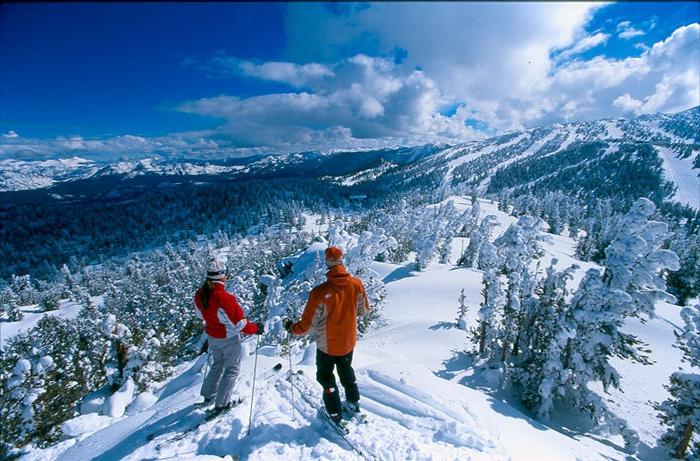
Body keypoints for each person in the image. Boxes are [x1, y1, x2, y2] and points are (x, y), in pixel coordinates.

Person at [284, 246, 370, 424]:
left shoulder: (319, 293)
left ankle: (334, 413)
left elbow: (305, 327)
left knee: (325, 376)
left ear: (327, 262)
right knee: (346, 371)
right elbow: (364, 311)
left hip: (327, 345)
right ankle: (353, 403)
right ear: (342, 260)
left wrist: (291, 327)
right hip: (348, 342)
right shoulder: (356, 284)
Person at [194, 258, 263, 413]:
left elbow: (200, 315)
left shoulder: (200, 294)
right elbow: (240, 325)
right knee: (231, 369)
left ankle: (208, 395)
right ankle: (222, 404)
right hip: (228, 338)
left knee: (217, 364)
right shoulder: (224, 297)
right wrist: (256, 328)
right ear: (222, 276)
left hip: (212, 336)